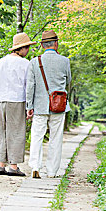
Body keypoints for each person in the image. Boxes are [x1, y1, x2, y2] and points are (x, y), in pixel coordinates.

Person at [26, 30, 71, 179]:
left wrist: (29, 106)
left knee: (37, 136)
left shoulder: (34, 62)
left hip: (39, 106)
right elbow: (68, 80)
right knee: (55, 138)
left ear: (42, 45)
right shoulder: (65, 61)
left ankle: (35, 166)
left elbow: (30, 86)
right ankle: (52, 171)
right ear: (56, 44)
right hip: (59, 105)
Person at [0, 32, 34, 176]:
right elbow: (28, 86)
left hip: (0, 99)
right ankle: (13, 166)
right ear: (21, 48)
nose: (28, 50)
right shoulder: (25, 64)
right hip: (16, 100)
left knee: (1, 130)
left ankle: (0, 164)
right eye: (27, 47)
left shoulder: (1, 61)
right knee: (15, 132)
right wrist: (29, 107)